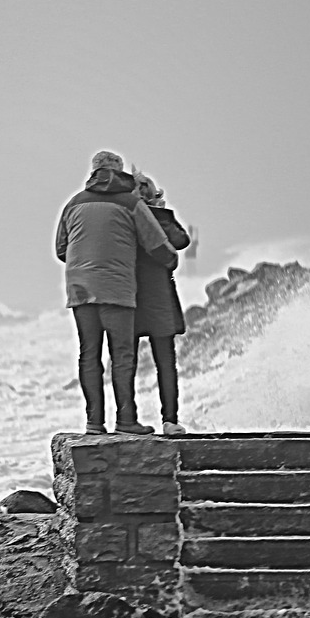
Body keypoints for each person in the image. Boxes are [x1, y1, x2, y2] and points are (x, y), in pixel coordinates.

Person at [55, 151, 179, 435]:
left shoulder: (73, 204)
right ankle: (125, 421)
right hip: (117, 289)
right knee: (121, 355)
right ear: (120, 172)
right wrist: (171, 261)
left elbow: (61, 250)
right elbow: (158, 247)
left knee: (89, 354)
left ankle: (94, 423)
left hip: (80, 288)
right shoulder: (132, 203)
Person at [131, 171, 192, 436]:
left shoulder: (125, 217)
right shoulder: (160, 219)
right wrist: (162, 215)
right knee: (165, 362)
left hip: (130, 297)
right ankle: (170, 419)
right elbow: (181, 240)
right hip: (157, 299)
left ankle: (127, 420)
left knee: (127, 363)